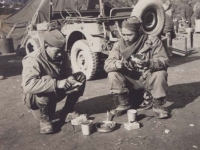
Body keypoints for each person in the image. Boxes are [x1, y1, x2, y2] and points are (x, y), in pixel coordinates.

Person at [21, 29, 86, 134]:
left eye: (62, 51)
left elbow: (67, 72)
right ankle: (45, 118)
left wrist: (71, 80)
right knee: (46, 80)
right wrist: (57, 83)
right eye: (57, 51)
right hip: (37, 99)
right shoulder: (33, 59)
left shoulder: (62, 54)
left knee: (80, 76)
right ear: (46, 47)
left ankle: (66, 112)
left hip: (55, 91)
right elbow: (28, 85)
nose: (60, 54)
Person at [104, 16, 169, 119]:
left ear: (138, 31)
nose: (126, 38)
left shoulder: (152, 41)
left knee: (161, 73)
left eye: (129, 35)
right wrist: (116, 64)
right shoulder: (119, 44)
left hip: (147, 77)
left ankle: (158, 105)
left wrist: (149, 63)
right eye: (123, 34)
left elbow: (164, 61)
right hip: (130, 80)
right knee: (113, 73)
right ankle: (124, 103)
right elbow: (107, 64)